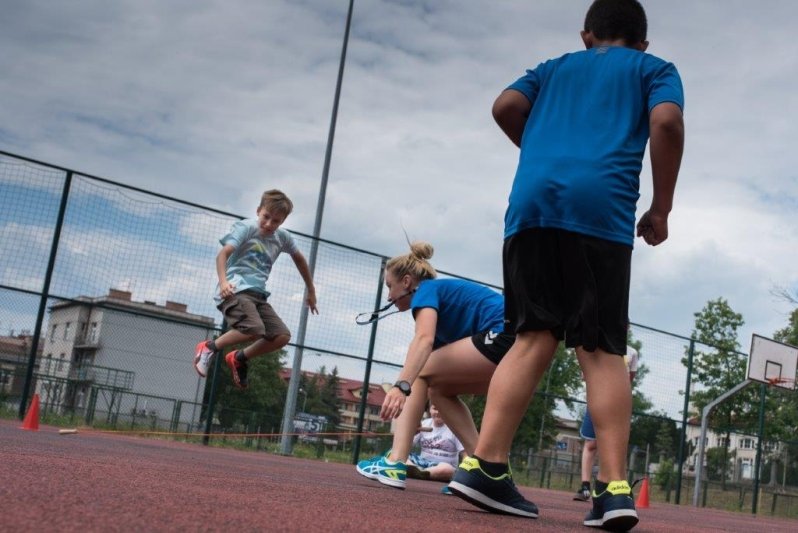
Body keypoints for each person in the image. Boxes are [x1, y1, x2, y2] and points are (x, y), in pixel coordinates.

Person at [448, 1, 683, 530]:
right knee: (600, 350)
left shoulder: (552, 68)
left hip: (530, 207)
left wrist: (542, 153)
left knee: (532, 335)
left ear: (586, 35)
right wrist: (662, 207)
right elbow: (666, 121)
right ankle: (615, 490)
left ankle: (485, 464)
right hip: (598, 209)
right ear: (641, 42)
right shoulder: (654, 69)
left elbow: (504, 106)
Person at [355, 241, 514, 490]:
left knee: (420, 374)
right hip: (517, 349)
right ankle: (481, 467)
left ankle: (395, 461)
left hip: (504, 334)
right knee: (439, 391)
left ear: (406, 282)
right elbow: (431, 359)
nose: (388, 295)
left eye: (389, 286)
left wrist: (400, 387)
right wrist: (413, 411)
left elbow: (423, 342)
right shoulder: (441, 311)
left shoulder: (425, 291)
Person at [192, 189, 318, 388]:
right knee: (254, 328)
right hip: (235, 290)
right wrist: (224, 282)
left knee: (281, 336)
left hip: (258, 295)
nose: (269, 224)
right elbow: (222, 255)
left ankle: (239, 358)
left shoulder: (282, 237)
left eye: (275, 221)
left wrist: (310, 290)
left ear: (282, 222)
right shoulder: (247, 227)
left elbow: (300, 259)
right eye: (266, 217)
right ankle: (208, 347)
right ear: (259, 210)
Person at [574, 344, 639, 501]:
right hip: (597, 398)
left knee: (614, 444)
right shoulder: (597, 348)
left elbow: (628, 380)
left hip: (617, 403)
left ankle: (612, 484)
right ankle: (585, 486)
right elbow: (585, 374)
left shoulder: (632, 353)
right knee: (591, 444)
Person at [406, 403, 466, 489]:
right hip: (422, 462)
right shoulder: (424, 424)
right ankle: (419, 471)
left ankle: (420, 473)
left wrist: (464, 474)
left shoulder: (454, 428)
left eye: (441, 408)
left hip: (443, 466)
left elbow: (465, 454)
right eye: (435, 409)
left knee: (447, 469)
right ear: (430, 410)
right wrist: (411, 433)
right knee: (400, 456)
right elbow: (407, 446)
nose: (438, 412)